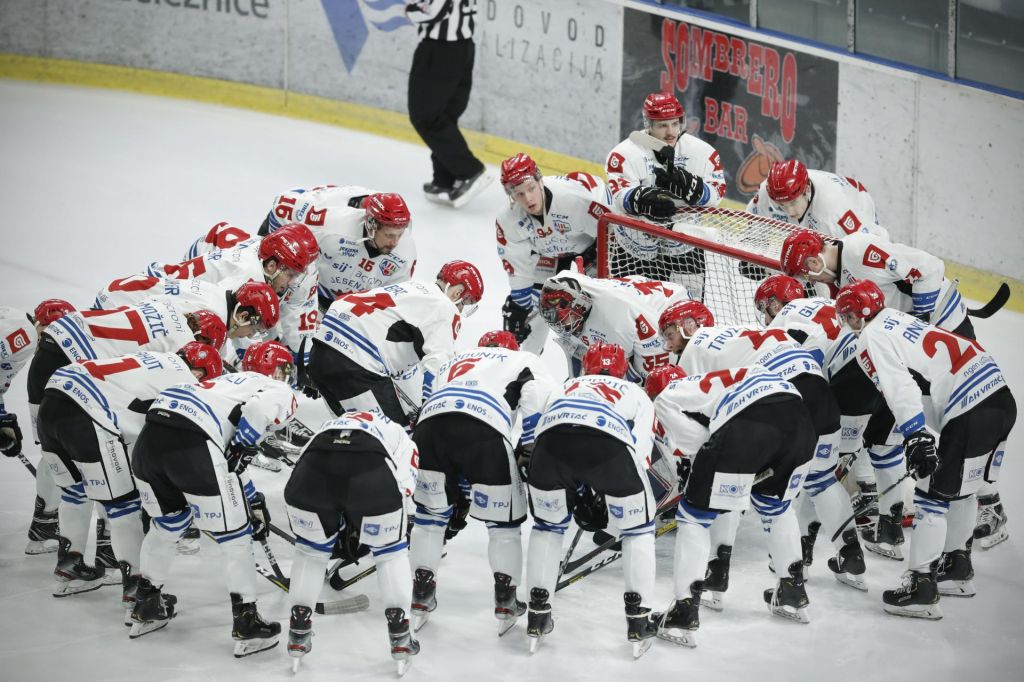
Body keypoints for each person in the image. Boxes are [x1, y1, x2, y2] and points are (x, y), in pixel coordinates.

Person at [836, 280, 1016, 618]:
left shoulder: (871, 337)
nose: (847, 323)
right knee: (962, 490)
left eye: (847, 316)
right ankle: (958, 569)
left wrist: (916, 435)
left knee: (930, 497)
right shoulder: (900, 318)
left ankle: (921, 585)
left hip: (970, 408)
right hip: (1001, 397)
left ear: (857, 315)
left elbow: (899, 387)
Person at [661, 299, 867, 592]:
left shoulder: (695, 350)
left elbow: (699, 424)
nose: (667, 346)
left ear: (689, 325)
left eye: (669, 335)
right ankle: (851, 556)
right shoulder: (738, 331)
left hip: (775, 402)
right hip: (819, 394)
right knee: (821, 479)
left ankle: (718, 571)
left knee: (729, 482)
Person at [128, 341, 297, 655]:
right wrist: (244, 448)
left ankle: (146, 604)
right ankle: (247, 623)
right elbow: (254, 417)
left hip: (149, 444)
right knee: (236, 539)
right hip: (193, 447)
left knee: (166, 526)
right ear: (279, 371)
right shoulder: (275, 388)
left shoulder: (222, 384)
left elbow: (227, 455)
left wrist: (252, 499)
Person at [647, 361, 816, 646]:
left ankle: (684, 610)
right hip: (800, 423)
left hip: (750, 427)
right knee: (775, 505)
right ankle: (792, 590)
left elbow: (697, 443)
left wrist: (702, 473)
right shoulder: (718, 381)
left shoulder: (667, 394)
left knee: (693, 516)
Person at [36, 344, 221, 603]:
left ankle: (71, 564)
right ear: (200, 374)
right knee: (124, 506)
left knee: (74, 490)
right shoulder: (186, 384)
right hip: (85, 414)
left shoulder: (155, 357)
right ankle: (137, 590)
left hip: (53, 398)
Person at [409, 330, 553, 635]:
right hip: (485, 429)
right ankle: (506, 601)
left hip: (430, 427)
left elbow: (428, 380)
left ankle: (420, 594)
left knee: (429, 520)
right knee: (503, 528)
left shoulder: (456, 358)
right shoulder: (522, 357)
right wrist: (529, 446)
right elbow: (536, 396)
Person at [524, 341, 660, 658]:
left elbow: (535, 435)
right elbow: (640, 456)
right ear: (623, 370)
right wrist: (608, 495)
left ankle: (537, 614)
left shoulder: (566, 386)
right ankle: (639, 621)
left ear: (585, 367)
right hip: (607, 447)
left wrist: (580, 489)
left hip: (549, 449)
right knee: (639, 530)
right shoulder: (636, 393)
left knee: (547, 527)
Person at [283, 408, 418, 674]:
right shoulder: (399, 433)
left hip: (311, 473)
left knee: (310, 553)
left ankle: (298, 630)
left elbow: (299, 468)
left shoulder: (328, 424)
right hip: (372, 472)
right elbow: (405, 488)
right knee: (390, 553)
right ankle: (401, 635)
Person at [307, 260, 484, 426]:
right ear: (458, 293)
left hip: (319, 353)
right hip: (355, 365)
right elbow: (439, 366)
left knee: (352, 433)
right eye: (466, 302)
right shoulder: (445, 307)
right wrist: (432, 412)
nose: (461, 309)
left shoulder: (411, 288)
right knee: (397, 440)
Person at [606, 92, 728, 297]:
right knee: (633, 311)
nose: (670, 132)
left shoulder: (702, 152)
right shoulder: (624, 154)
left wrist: (694, 189)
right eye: (662, 125)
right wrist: (643, 200)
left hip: (685, 246)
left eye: (674, 123)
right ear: (648, 125)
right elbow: (619, 196)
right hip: (634, 246)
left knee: (688, 312)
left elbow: (717, 193)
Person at [146, 222, 320, 361]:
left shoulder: (269, 257)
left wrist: (303, 357)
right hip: (159, 287)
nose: (293, 282)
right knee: (201, 350)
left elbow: (297, 307)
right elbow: (245, 339)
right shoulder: (246, 278)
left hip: (204, 261)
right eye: (290, 274)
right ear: (272, 266)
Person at [495, 153, 611, 352]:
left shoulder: (574, 198)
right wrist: (520, 305)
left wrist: (600, 257)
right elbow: (520, 272)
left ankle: (599, 358)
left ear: (540, 180)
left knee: (602, 305)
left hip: (594, 246)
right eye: (519, 194)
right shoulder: (507, 219)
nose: (528, 198)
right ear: (511, 196)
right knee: (529, 312)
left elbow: (614, 232)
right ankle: (523, 365)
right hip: (548, 254)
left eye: (530, 188)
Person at [779, 228, 970, 336]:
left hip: (946, 320)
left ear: (814, 262)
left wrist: (921, 320)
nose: (810, 282)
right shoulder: (840, 277)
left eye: (806, 276)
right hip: (923, 334)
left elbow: (929, 267)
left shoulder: (859, 250)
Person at [259, 188, 418, 310]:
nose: (395, 242)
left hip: (341, 304)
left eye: (400, 234)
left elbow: (393, 299)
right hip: (325, 199)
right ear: (372, 225)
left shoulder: (405, 253)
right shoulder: (333, 226)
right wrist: (270, 254)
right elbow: (281, 206)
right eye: (389, 235)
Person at [406, 0, 491, 208]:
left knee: (426, 116)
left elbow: (434, 11)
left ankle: (469, 170)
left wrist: (410, 10)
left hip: (440, 50)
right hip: (461, 47)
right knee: (444, 115)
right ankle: (445, 180)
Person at [536, 271, 681, 382]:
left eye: (564, 319)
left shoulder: (619, 317)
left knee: (656, 382)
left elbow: (652, 373)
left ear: (580, 306)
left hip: (670, 309)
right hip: (634, 297)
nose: (560, 326)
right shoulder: (567, 292)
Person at [94, 277, 280, 346]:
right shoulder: (214, 315)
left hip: (122, 291)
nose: (249, 336)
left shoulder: (219, 294)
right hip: (117, 305)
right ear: (243, 316)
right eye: (254, 330)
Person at [747, 159, 889, 240]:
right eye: (781, 205)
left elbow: (875, 241)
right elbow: (754, 221)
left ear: (806, 190)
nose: (790, 212)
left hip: (856, 199)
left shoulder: (834, 210)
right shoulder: (768, 191)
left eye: (793, 202)